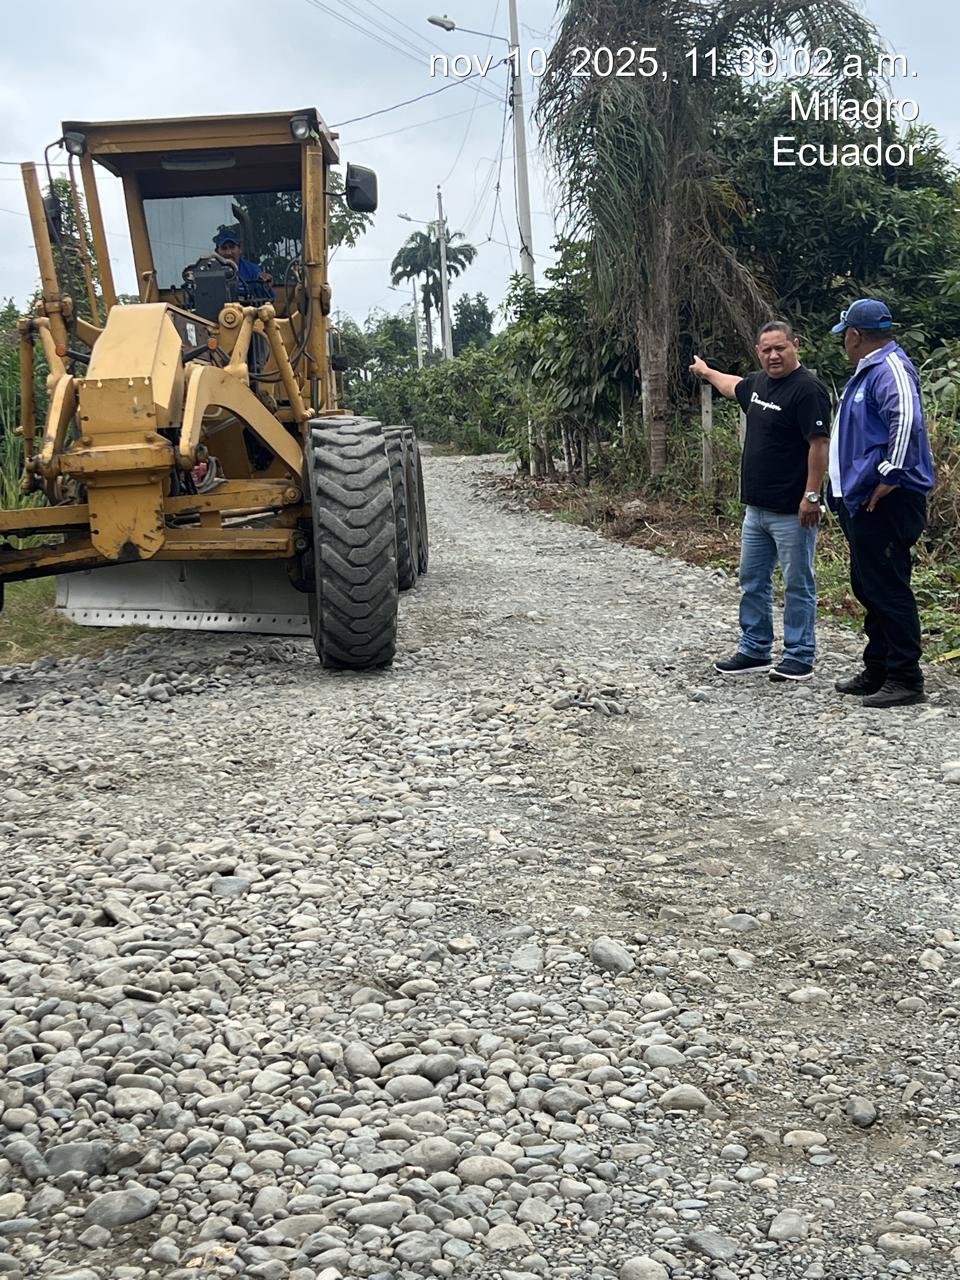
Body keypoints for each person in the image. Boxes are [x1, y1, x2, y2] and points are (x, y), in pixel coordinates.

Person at [690, 322, 831, 681]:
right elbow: (732, 385)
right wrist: (706, 371)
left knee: (797, 583)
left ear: (795, 345)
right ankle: (755, 649)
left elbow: (819, 445)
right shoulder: (758, 384)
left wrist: (811, 496)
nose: (773, 355)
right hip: (756, 510)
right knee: (752, 580)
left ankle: (799, 655)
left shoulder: (808, 389)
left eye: (780, 348)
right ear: (758, 352)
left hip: (793, 511)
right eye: (766, 350)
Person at [828, 299, 935, 708]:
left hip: (887, 498)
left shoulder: (890, 368)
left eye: (846, 336)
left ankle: (905, 677)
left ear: (855, 335)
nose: (845, 342)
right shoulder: (870, 369)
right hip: (862, 498)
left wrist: (891, 473)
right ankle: (878, 667)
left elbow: (906, 418)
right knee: (868, 584)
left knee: (888, 586)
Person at [212, 228, 275, 300]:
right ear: (217, 252)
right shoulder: (209, 271)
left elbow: (268, 300)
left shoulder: (252, 270)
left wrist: (266, 285)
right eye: (224, 248)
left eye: (232, 247)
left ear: (240, 249)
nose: (228, 252)